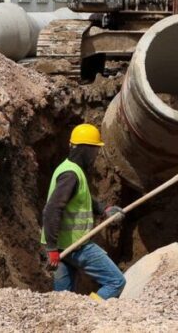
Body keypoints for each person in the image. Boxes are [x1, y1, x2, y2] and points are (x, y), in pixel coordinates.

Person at [41, 124, 126, 300]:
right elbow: (52, 210)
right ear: (84, 150)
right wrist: (51, 248)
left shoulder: (68, 168)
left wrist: (105, 209)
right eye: (94, 150)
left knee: (63, 299)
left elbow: (83, 199)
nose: (96, 155)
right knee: (116, 282)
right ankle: (89, 312)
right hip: (75, 246)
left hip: (61, 247)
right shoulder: (71, 175)